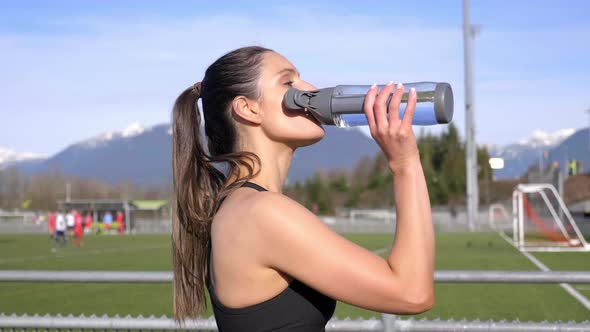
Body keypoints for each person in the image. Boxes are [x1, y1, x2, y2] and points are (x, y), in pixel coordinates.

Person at [171, 46, 434, 331]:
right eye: (288, 82)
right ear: (248, 108)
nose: (310, 89)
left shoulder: (244, 206)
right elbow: (411, 292)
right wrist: (405, 164)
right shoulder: (261, 213)